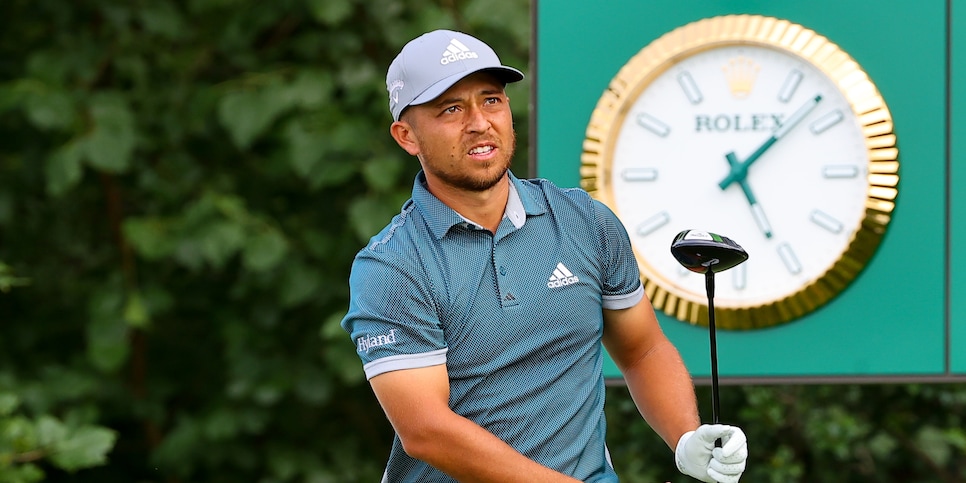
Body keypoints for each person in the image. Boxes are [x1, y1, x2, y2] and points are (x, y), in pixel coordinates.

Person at [341, 29, 748, 483]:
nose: (479, 122)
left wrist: (687, 438)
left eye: (491, 100)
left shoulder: (584, 221)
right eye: (451, 109)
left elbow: (642, 349)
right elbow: (427, 431)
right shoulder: (393, 267)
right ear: (406, 136)